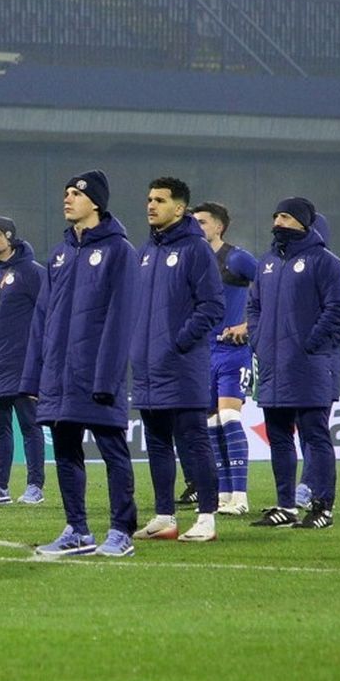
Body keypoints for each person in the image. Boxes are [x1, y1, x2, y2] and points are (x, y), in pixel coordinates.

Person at [21, 170, 139, 558]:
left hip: (96, 374)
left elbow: (121, 319)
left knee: (112, 451)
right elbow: (42, 317)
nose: (67, 198)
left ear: (96, 202)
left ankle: (121, 531)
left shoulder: (120, 250)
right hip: (59, 375)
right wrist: (34, 376)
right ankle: (77, 530)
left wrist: (107, 378)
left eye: (76, 193)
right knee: (66, 450)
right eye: (66, 192)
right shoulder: (59, 253)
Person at [247, 197, 340, 530]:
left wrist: (308, 345)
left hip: (308, 365)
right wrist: (259, 340)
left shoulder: (326, 262)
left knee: (314, 437)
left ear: (304, 223)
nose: (278, 222)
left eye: (286, 216)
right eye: (276, 215)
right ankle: (286, 505)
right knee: (278, 438)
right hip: (273, 366)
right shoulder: (266, 263)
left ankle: (322, 507)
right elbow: (254, 307)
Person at [130, 178, 224, 543]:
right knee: (156, 442)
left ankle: (207, 517)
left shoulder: (195, 249)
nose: (151, 205)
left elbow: (212, 306)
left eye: (160, 200)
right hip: (148, 365)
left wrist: (178, 342)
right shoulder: (145, 251)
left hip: (182, 364)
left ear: (179, 208)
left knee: (194, 439)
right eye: (149, 199)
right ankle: (165, 516)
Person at [0, 217, 46, 506]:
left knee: (30, 426)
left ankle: (35, 486)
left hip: (22, 364)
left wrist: (41, 357)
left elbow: (48, 314)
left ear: (10, 238)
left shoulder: (31, 272)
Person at [190, 202, 258, 515]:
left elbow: (272, 286)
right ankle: (224, 495)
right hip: (203, 354)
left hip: (232, 352)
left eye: (202, 222)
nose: (197, 227)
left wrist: (249, 325)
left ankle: (240, 497)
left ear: (219, 227)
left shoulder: (237, 258)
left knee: (229, 418)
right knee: (211, 424)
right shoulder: (192, 261)